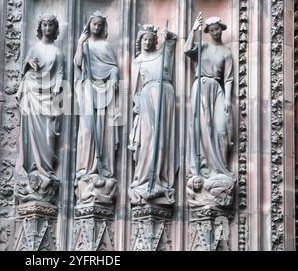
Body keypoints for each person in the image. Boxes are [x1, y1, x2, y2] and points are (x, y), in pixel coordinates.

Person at [184, 14, 235, 207]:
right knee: (202, 129)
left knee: (221, 130)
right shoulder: (202, 47)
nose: (214, 32)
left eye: (217, 29)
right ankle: (204, 169)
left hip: (217, 89)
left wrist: (228, 99)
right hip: (201, 87)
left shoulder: (226, 52)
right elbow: (187, 49)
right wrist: (194, 29)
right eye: (211, 29)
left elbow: (229, 78)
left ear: (222, 29)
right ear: (208, 32)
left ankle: (219, 169)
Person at [14, 14, 64, 204]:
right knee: (31, 133)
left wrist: (58, 88)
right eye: (44, 25)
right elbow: (25, 70)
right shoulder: (34, 49)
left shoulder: (58, 53)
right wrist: (27, 65)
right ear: (40, 27)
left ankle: (45, 170)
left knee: (48, 135)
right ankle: (33, 170)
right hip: (32, 93)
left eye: (51, 25)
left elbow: (59, 73)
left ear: (55, 28)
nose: (47, 29)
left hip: (48, 97)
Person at [128, 24, 177, 206]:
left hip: (165, 98)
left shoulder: (162, 53)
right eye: (144, 39)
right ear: (140, 41)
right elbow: (134, 89)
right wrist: (138, 104)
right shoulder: (138, 61)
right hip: (147, 98)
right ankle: (144, 178)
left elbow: (172, 41)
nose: (147, 42)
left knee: (163, 139)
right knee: (148, 139)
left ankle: (160, 179)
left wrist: (167, 34)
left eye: (150, 39)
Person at [73, 11, 119, 205]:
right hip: (88, 90)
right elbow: (77, 64)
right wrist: (79, 44)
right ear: (89, 25)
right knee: (87, 130)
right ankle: (85, 169)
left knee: (103, 130)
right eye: (94, 24)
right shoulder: (85, 45)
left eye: (100, 25)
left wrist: (114, 78)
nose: (97, 28)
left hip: (104, 91)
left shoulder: (106, 46)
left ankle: (102, 167)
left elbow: (113, 67)